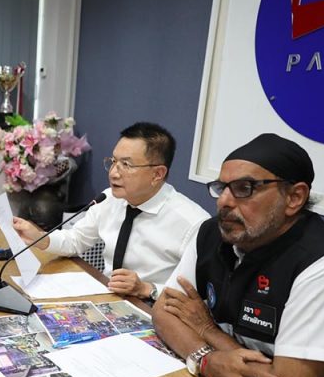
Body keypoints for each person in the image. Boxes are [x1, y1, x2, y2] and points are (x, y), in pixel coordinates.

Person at [153, 133, 324, 377]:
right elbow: (164, 312)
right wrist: (205, 360)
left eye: (245, 188)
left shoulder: (322, 264)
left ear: (294, 197)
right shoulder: (212, 233)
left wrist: (207, 331)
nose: (224, 201)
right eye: (222, 187)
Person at [12, 122, 209, 301]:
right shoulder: (110, 199)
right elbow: (76, 240)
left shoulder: (193, 223)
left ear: (157, 174)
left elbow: (199, 293)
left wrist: (147, 289)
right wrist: (40, 237)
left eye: (126, 165)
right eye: (114, 161)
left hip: (155, 309)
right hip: (106, 296)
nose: (113, 173)